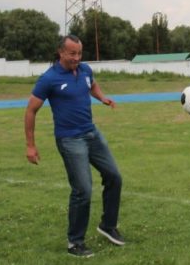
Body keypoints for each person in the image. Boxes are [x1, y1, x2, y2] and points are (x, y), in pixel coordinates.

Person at [24, 35, 124, 258]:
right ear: (61, 52)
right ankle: (75, 242)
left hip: (92, 134)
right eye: (72, 53)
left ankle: (108, 226)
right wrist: (30, 145)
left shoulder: (85, 69)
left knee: (114, 177)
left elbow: (92, 85)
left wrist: (102, 98)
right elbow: (30, 111)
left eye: (79, 53)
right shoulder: (49, 79)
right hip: (70, 140)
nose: (76, 58)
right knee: (83, 190)